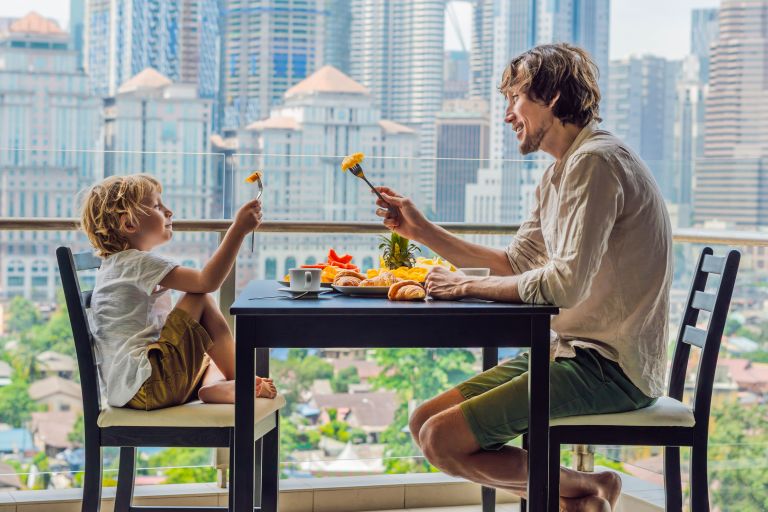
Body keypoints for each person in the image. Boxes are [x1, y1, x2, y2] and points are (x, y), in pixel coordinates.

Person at [374, 43, 672, 512]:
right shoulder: (560, 172)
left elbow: (563, 285)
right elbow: (518, 263)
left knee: (441, 439)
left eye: (514, 98)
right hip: (570, 352)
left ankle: (589, 489)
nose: (509, 115)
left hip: (610, 368)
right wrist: (421, 230)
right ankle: (579, 493)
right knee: (424, 421)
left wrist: (466, 285)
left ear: (551, 96)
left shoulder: (595, 164)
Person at [80, 173, 277, 410]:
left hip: (132, 390)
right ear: (129, 224)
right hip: (149, 383)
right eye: (157, 206)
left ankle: (215, 387)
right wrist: (238, 230)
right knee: (199, 296)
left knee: (210, 358)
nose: (169, 211)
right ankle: (242, 381)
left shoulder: (115, 266)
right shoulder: (136, 262)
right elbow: (206, 282)